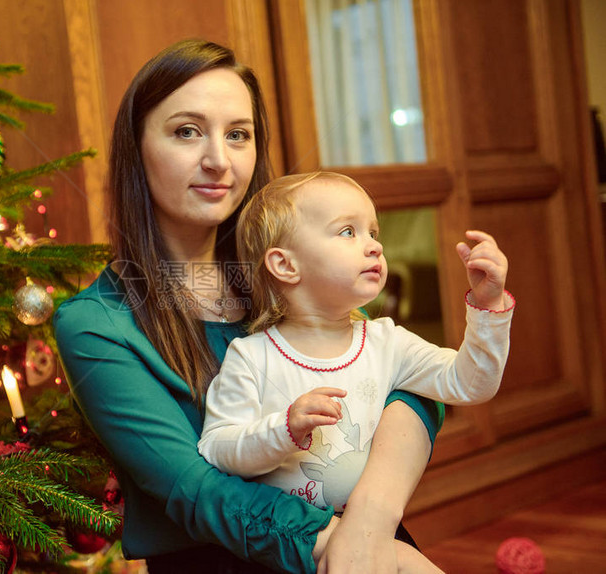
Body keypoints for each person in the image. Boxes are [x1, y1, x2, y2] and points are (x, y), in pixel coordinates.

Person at [54, 39, 443, 573]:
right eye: (186, 131)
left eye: (238, 134)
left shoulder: (290, 268)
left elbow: (405, 376)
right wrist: (339, 545)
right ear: (136, 147)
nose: (218, 160)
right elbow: (193, 489)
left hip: (361, 536)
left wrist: (371, 523)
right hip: (245, 556)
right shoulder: (96, 323)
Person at [198, 171, 515, 571]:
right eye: (348, 231)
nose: (374, 246)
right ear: (285, 264)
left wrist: (489, 307)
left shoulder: (387, 342)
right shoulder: (252, 357)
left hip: (367, 538)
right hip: (286, 550)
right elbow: (217, 448)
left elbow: (469, 384)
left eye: (373, 231)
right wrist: (283, 430)